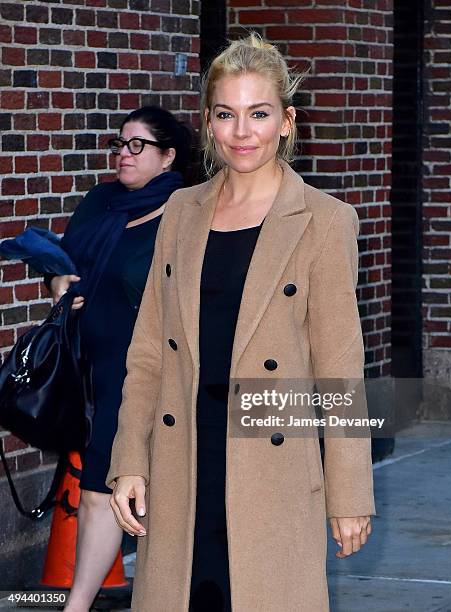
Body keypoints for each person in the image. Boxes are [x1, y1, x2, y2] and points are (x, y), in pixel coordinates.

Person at [108, 34, 375, 612]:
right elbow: (148, 353)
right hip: (183, 463)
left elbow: (339, 368)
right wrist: (130, 458)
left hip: (270, 466)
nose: (242, 131)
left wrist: (349, 492)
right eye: (227, 114)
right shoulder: (180, 211)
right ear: (209, 123)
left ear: (286, 121)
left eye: (259, 113)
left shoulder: (325, 222)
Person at [45, 106, 192, 612]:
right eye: (119, 144)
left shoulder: (183, 211)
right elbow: (66, 261)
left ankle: (77, 605)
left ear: (169, 155)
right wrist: (60, 284)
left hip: (144, 372)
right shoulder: (101, 201)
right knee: (101, 486)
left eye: (137, 146)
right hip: (90, 366)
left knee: (100, 488)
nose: (122, 155)